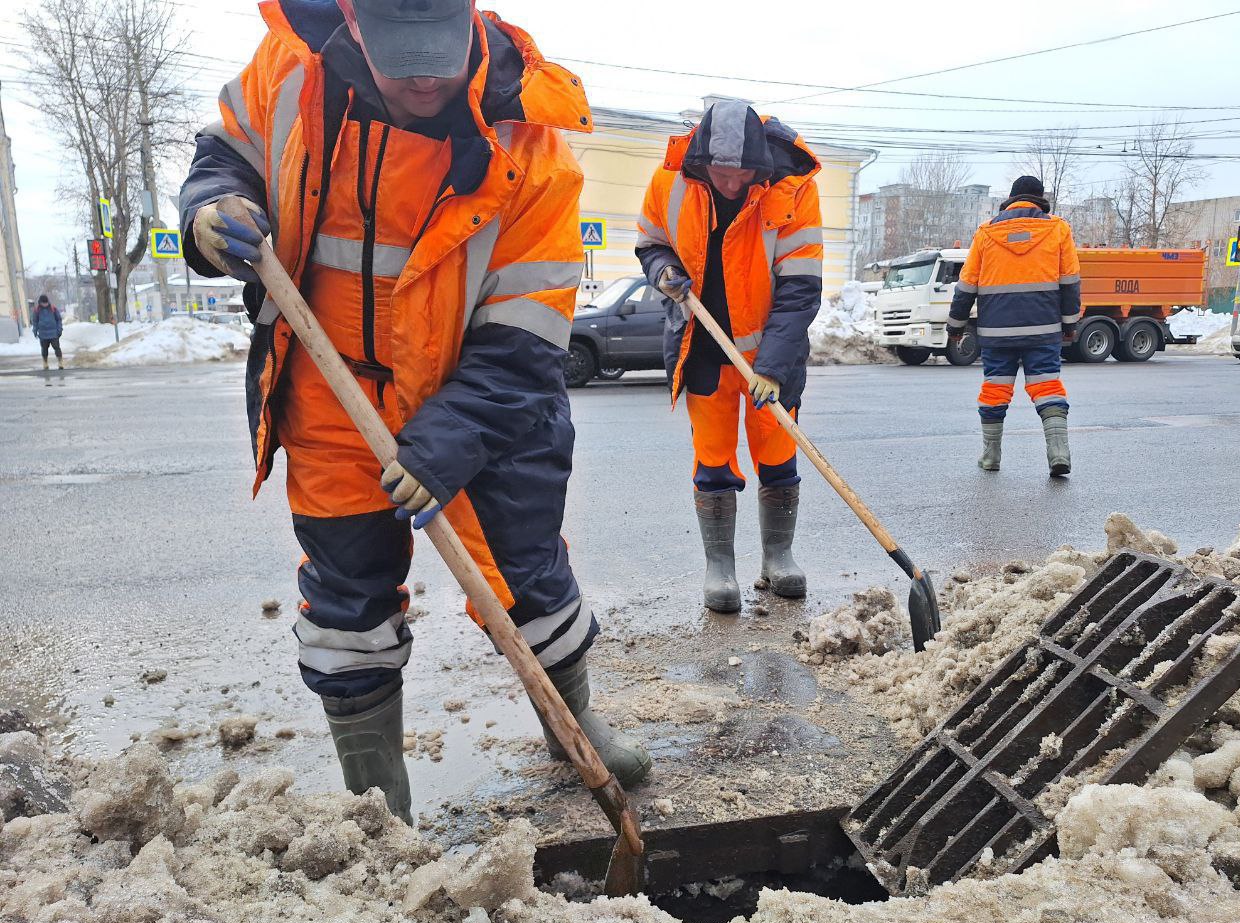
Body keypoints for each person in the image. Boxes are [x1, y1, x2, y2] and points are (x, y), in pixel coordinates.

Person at [178, 0, 650, 824]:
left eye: (439, 53)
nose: (425, 80)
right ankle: (377, 801)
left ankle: (571, 724)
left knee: (527, 574)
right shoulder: (287, 74)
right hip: (332, 388)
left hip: (480, 397)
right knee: (347, 597)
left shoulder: (532, 151)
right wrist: (211, 208)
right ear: (354, 25)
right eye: (402, 60)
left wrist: (445, 443)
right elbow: (225, 154)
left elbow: (525, 338)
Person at [635, 100, 824, 613]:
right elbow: (650, 243)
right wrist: (662, 271)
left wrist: (773, 367)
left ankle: (778, 558)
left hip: (770, 358)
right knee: (713, 456)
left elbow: (800, 289)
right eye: (723, 174)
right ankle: (719, 566)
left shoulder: (792, 189)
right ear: (701, 161)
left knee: (778, 453)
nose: (734, 184)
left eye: (744, 174)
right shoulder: (670, 181)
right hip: (704, 348)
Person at [947, 176, 1080, 476]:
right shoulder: (1058, 229)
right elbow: (1070, 282)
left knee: (995, 389)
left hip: (996, 332)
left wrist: (955, 326)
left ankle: (990, 457)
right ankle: (1058, 453)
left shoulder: (986, 232)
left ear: (1010, 198)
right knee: (1047, 386)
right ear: (1040, 199)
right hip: (1043, 328)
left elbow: (966, 285)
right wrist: (1069, 323)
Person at [31, 295, 64, 370]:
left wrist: (59, 330)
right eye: (44, 303)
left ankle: (60, 362)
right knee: (44, 349)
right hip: (43, 334)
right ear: (40, 302)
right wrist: (35, 331)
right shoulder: (37, 310)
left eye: (46, 303)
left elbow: (58, 319)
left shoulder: (53, 308)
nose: (45, 304)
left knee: (57, 348)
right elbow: (35, 321)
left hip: (53, 333)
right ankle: (45, 363)